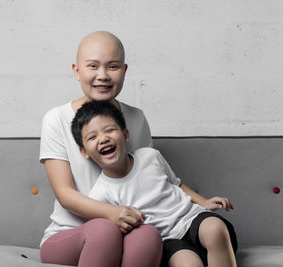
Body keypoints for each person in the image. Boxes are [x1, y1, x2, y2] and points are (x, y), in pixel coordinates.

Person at [39, 31, 162, 267]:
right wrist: (111, 214)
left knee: (148, 235)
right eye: (93, 66)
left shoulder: (136, 118)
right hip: (70, 236)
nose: (102, 76)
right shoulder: (56, 119)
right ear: (76, 71)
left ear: (124, 71)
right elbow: (65, 194)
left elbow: (149, 180)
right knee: (104, 230)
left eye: (112, 67)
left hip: (125, 231)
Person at [71, 100, 238, 267]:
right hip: (166, 240)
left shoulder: (150, 156)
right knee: (189, 264)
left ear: (126, 135)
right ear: (84, 152)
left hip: (190, 217)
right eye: (92, 137)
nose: (103, 139)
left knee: (215, 229)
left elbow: (176, 184)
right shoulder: (100, 194)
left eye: (110, 130)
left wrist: (205, 202)